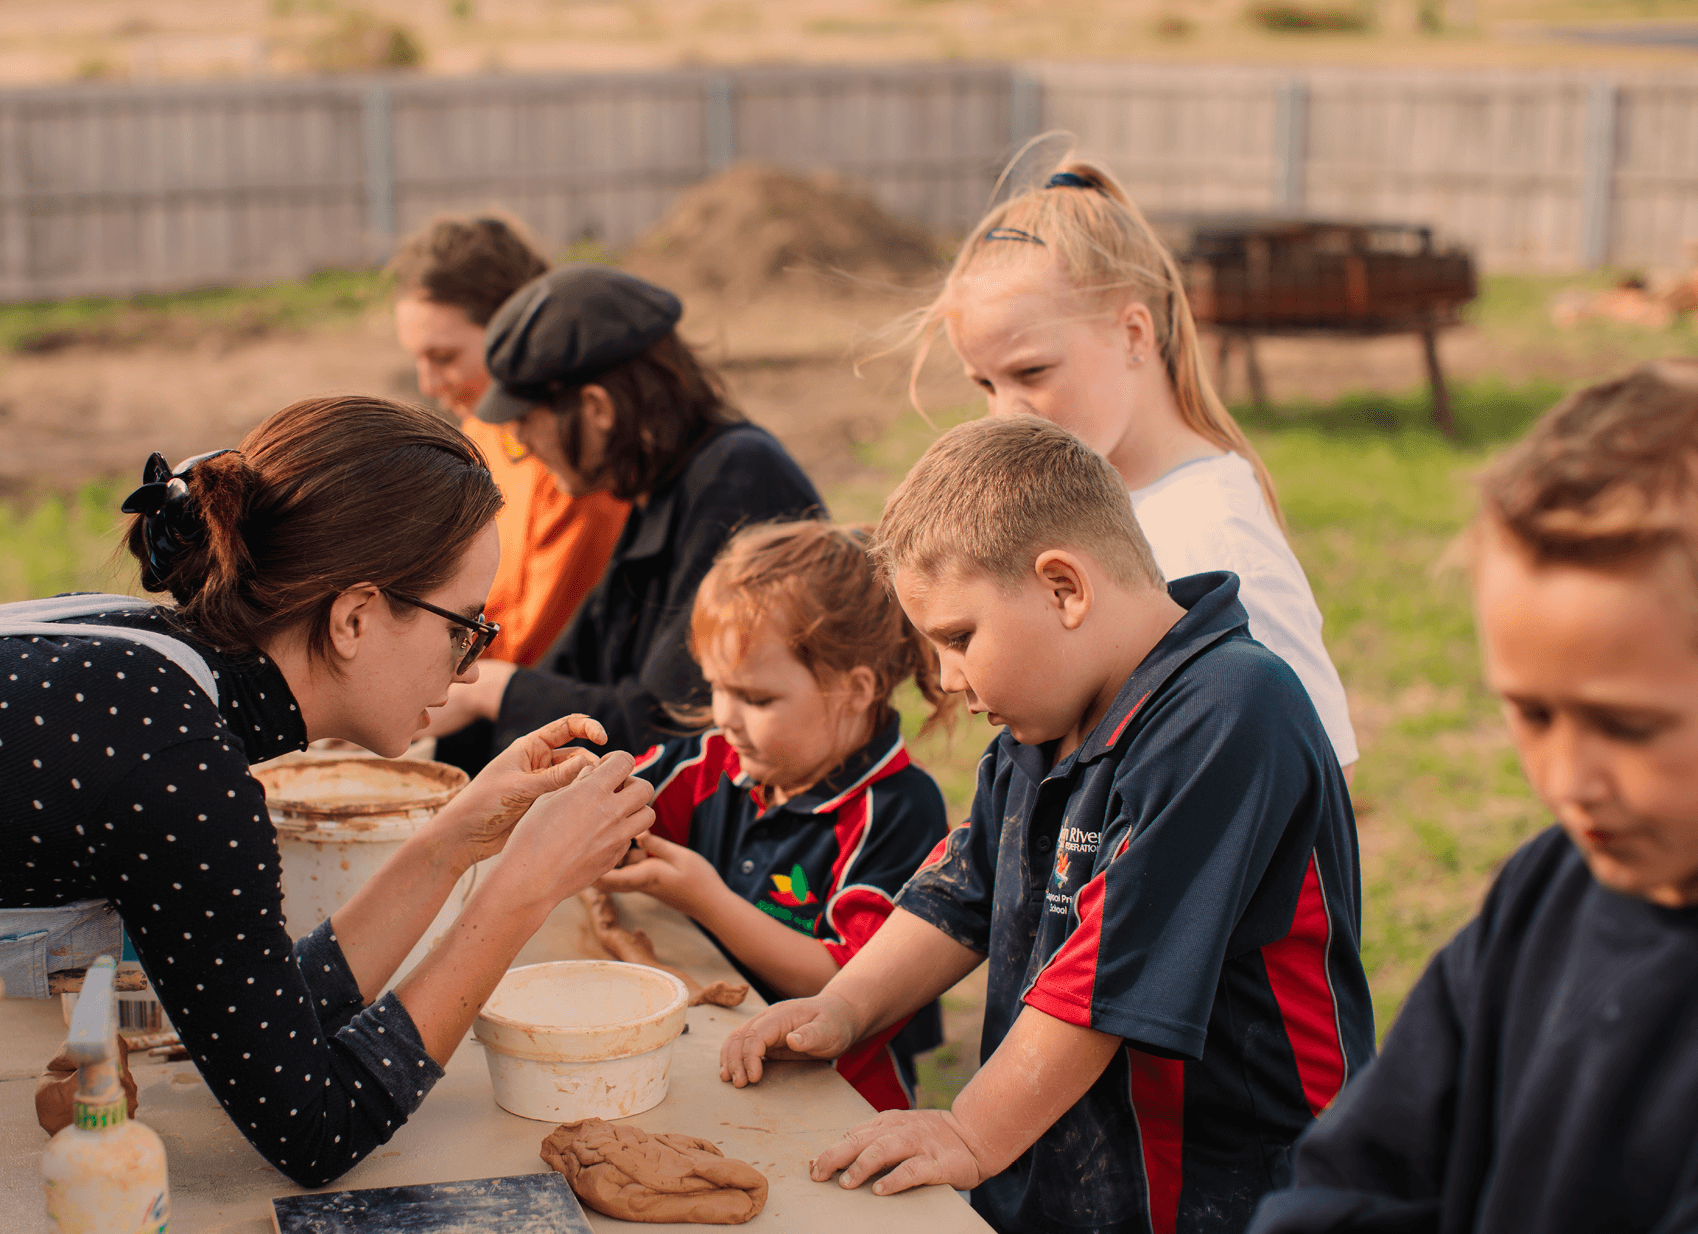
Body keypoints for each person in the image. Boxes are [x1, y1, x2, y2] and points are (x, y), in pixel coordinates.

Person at [719, 416, 1374, 1234]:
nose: (948, 679)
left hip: (1229, 1192)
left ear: (1064, 587)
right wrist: (844, 1007)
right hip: (1070, 1171)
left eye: (959, 638)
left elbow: (1107, 972)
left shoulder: (1232, 711)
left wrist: (970, 1132)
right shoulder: (1041, 724)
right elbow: (963, 892)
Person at [0, 396, 656, 1189]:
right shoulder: (179, 768)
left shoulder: (141, 670)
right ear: (353, 618)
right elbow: (316, 1129)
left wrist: (454, 842)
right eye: (463, 628)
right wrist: (524, 889)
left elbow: (258, 1021)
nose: (471, 668)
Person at [1248, 360, 1698, 1234]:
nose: (1568, 782)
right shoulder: (1548, 889)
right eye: (1533, 714)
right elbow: (1362, 1169)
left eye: (1628, 727)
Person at [902, 155, 1358, 779]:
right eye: (985, 383)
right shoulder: (1094, 503)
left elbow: (1320, 770)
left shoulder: (1211, 534)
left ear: (1135, 334)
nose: (1004, 413)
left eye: (1032, 372)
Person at [595, 520, 954, 1112]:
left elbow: (847, 983)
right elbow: (608, 802)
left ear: (856, 688)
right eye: (716, 687)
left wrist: (707, 901)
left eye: (756, 698)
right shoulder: (713, 761)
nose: (724, 717)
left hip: (836, 1098)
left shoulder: (897, 810)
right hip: (716, 1064)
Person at [424, 266, 825, 758]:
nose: (521, 444)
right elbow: (574, 670)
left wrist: (494, 691)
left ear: (598, 408)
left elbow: (671, 725)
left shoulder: (739, 482)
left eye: (525, 420)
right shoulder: (659, 487)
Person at [390, 216, 629, 668]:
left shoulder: (572, 463)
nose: (428, 385)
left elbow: (525, 649)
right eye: (418, 358)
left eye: (444, 357)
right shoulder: (482, 429)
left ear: (515, 332)